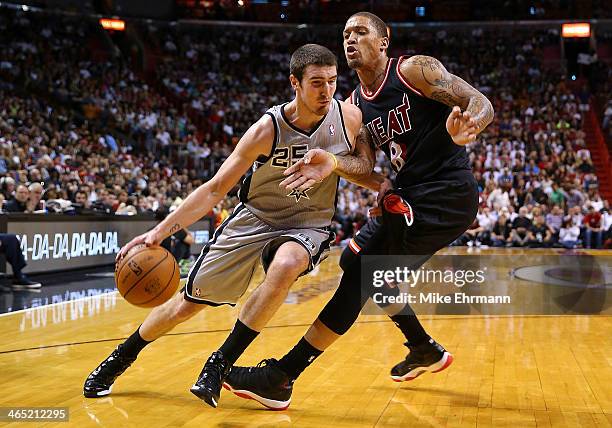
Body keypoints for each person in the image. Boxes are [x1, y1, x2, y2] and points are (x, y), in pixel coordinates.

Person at [224, 11, 494, 410]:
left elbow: (479, 100)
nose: (350, 38)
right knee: (364, 270)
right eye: (345, 33)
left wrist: (471, 124)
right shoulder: (352, 106)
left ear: (383, 42)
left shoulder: (413, 71)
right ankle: (424, 349)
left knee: (360, 277)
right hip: (406, 197)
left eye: (360, 31)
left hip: (444, 194)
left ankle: (282, 377)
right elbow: (364, 166)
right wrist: (333, 163)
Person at [82, 44, 365, 408]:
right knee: (187, 305)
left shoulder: (349, 119)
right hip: (255, 218)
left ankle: (219, 363)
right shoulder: (268, 129)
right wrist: (157, 233)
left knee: (288, 263)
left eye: (331, 81)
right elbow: (216, 188)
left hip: (309, 222)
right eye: (316, 83)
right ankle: (123, 355)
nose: (326, 91)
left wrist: (348, 170)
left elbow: (364, 171)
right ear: (294, 82)